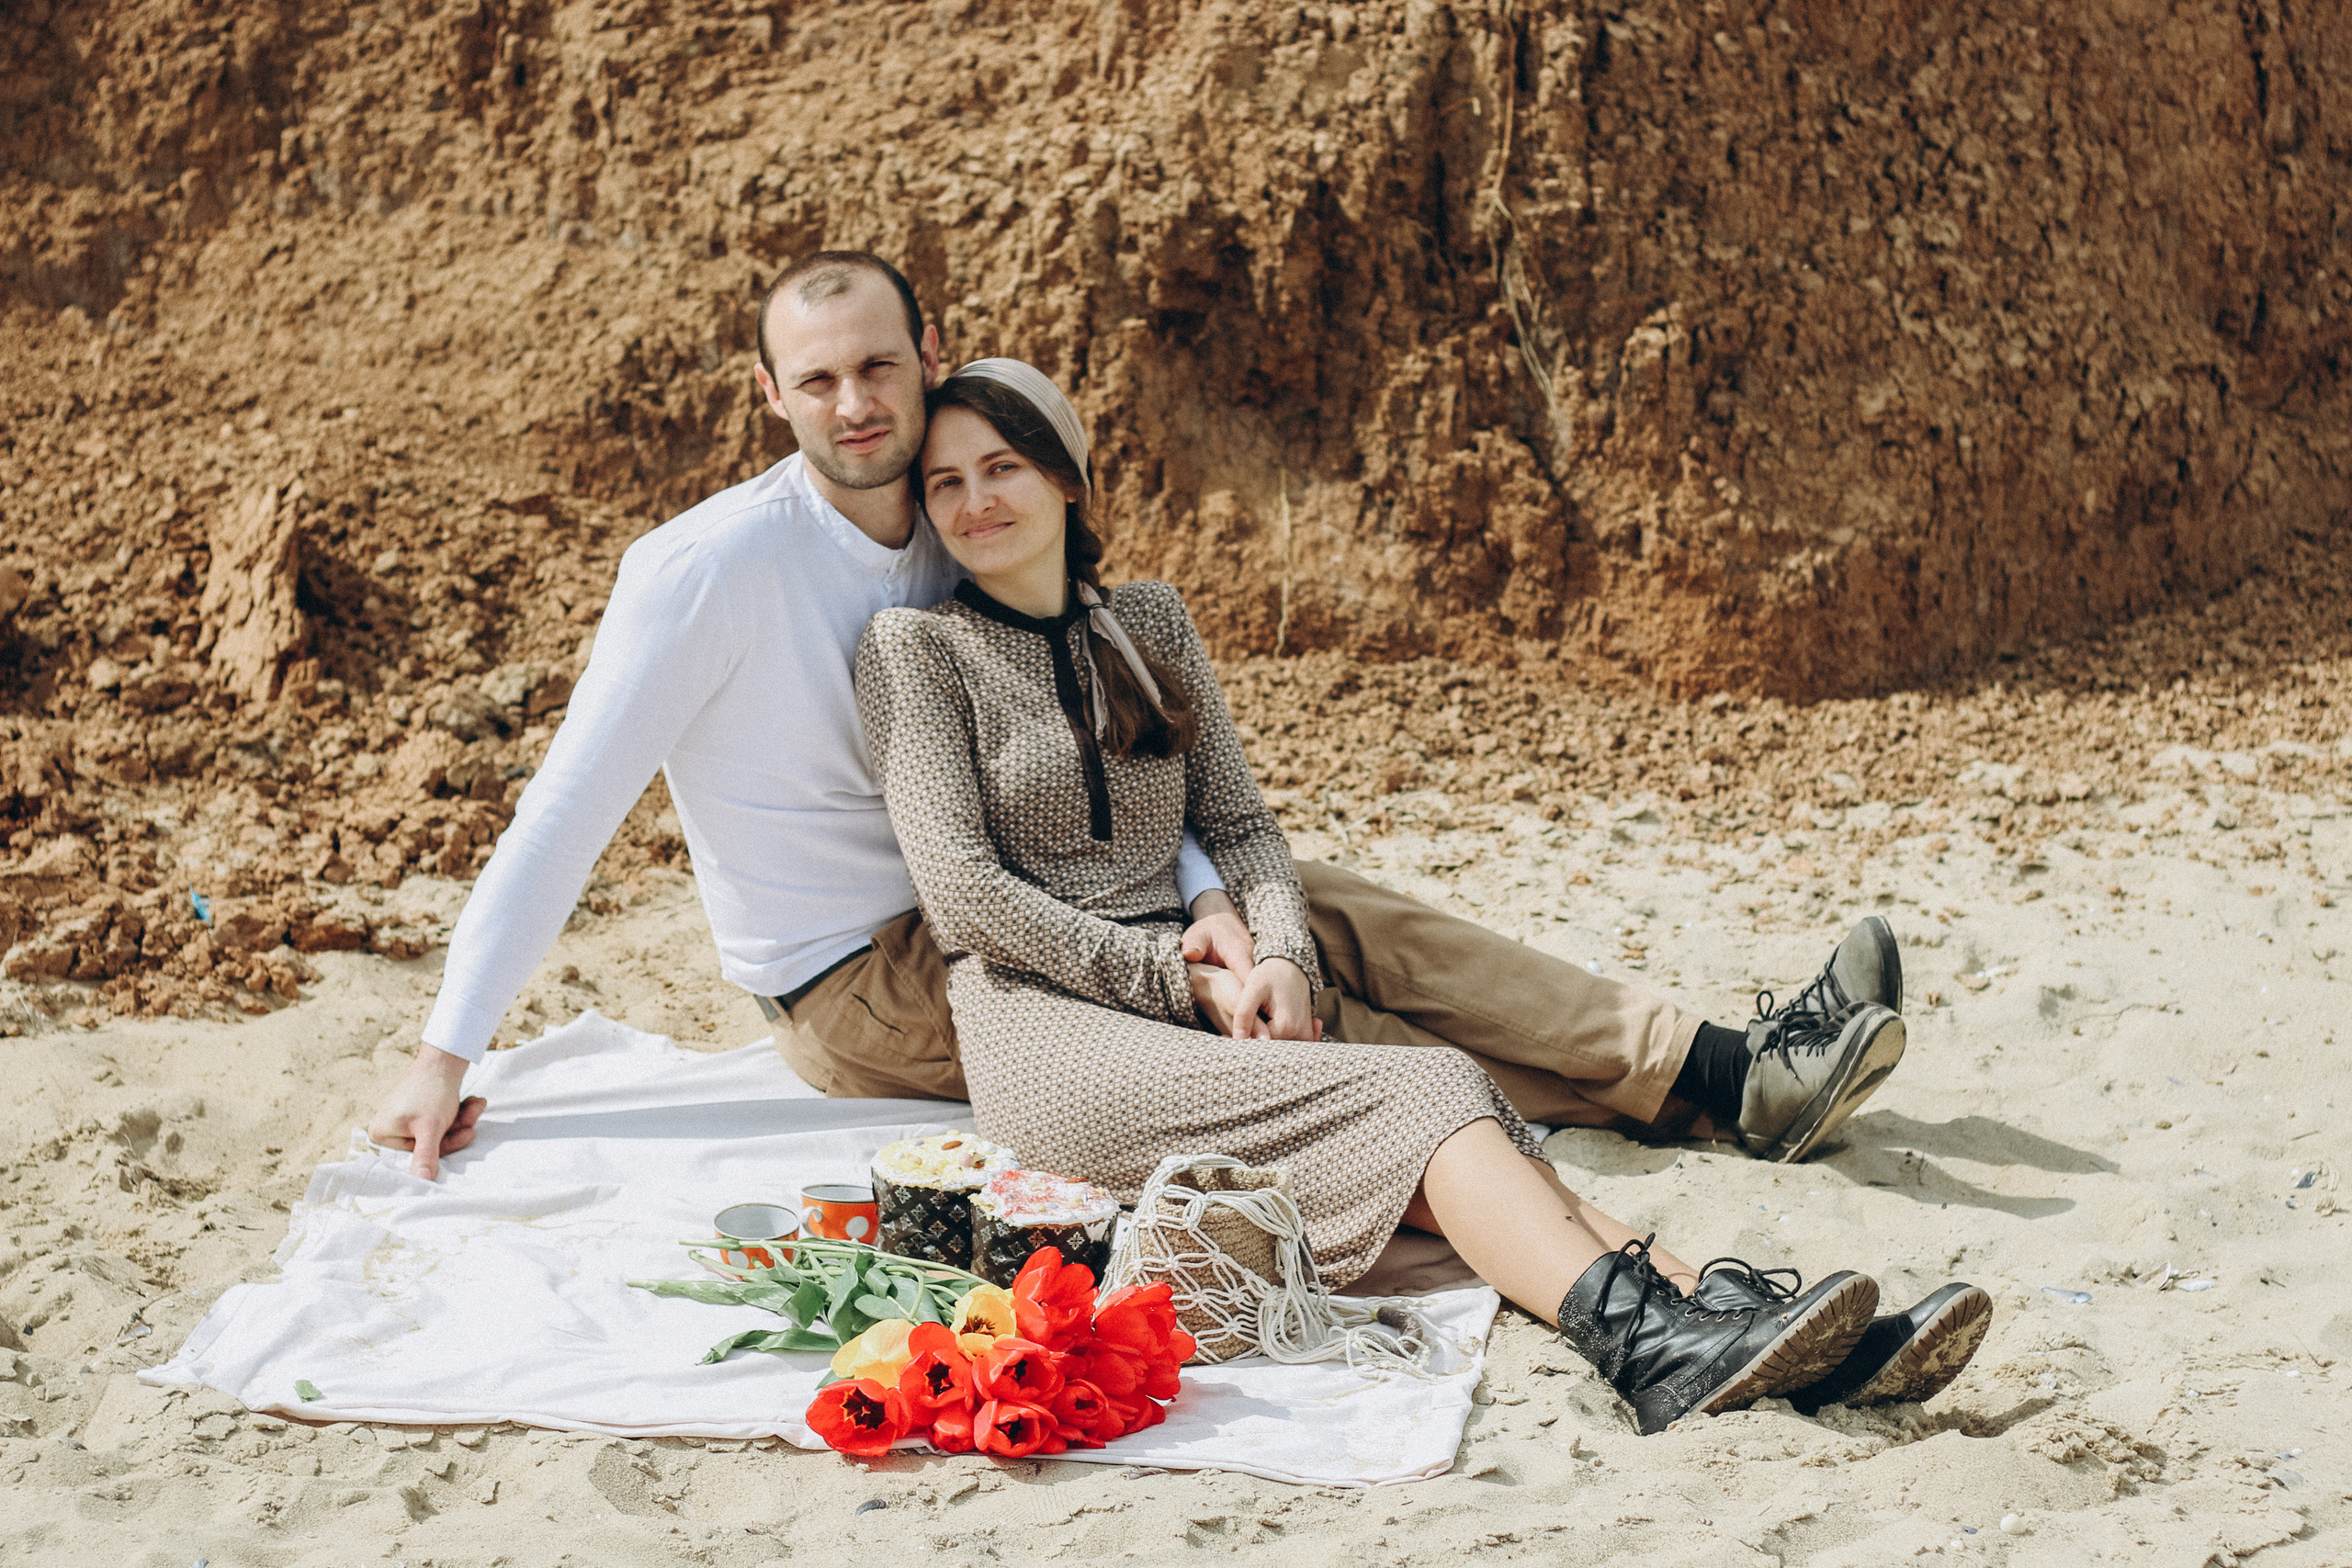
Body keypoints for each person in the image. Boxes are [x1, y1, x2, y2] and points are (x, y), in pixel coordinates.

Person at [367, 250, 1911, 1196]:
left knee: (1322, 920)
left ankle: (1715, 1067)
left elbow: (1128, 774)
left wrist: (1226, 919)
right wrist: (447, 1050)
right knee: (1324, 1026)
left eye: (880, 368)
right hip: (876, 976)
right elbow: (562, 810)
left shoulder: (951, 520)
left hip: (1041, 895)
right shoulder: (702, 572)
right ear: (770, 390)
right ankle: (1707, 1092)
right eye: (819, 379)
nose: (857, 405)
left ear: (923, 361)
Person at [849, 357, 1990, 1432]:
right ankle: (1653, 1344)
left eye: (999, 467)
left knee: (1456, 1125)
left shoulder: (1150, 625)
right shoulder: (915, 648)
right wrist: (1172, 974)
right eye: (944, 482)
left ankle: (1720, 1322)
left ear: (1063, 474)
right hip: (1043, 1027)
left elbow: (1241, 825)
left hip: (1210, 984)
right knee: (1432, 1087)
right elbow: (965, 899)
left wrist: (1284, 953)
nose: (972, 502)